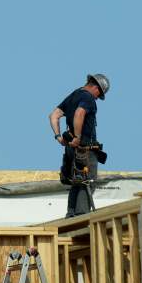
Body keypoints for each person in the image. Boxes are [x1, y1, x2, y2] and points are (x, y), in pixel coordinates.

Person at [49, 73, 109, 217]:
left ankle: (71, 214)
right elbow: (79, 113)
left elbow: (54, 115)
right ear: (96, 87)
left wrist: (58, 136)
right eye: (98, 95)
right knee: (87, 180)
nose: (97, 98)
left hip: (71, 149)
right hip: (84, 148)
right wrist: (77, 137)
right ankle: (82, 215)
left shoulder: (74, 95)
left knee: (76, 180)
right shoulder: (88, 97)